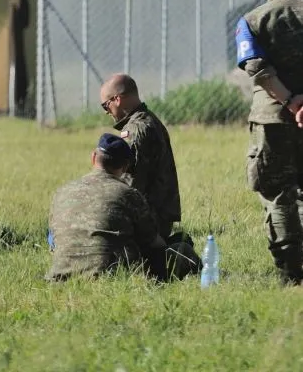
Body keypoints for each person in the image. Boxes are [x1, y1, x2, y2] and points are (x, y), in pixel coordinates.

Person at [46, 133, 200, 282]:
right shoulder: (127, 194)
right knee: (182, 247)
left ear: (93, 158)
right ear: (125, 166)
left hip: (61, 274)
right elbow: (153, 243)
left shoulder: (62, 192)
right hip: (110, 275)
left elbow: (52, 241)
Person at [236, 0, 303, 285]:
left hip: (273, 119)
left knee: (278, 194)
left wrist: (291, 102)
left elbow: (256, 67)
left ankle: (290, 273)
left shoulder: (251, 20)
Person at [99, 73, 182, 239]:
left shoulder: (135, 130)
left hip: (147, 220)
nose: (107, 112)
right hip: (155, 215)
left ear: (117, 99)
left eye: (105, 106)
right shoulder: (149, 120)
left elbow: (130, 184)